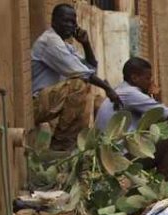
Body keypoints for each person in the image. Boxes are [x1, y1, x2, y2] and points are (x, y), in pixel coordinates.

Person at [95, 57, 168, 190]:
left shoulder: (120, 91)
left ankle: (161, 188)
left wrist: (154, 97)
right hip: (120, 159)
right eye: (147, 78)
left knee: (164, 132)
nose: (151, 82)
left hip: (110, 157)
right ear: (135, 78)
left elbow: (157, 119)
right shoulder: (130, 94)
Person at [32, 3, 121, 151]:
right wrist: (108, 89)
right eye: (65, 21)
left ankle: (73, 146)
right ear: (54, 21)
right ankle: (61, 145)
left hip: (49, 103)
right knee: (77, 86)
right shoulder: (50, 41)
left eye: (73, 22)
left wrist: (86, 44)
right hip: (35, 105)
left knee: (84, 90)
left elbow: (90, 69)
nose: (70, 25)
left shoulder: (65, 45)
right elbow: (83, 73)